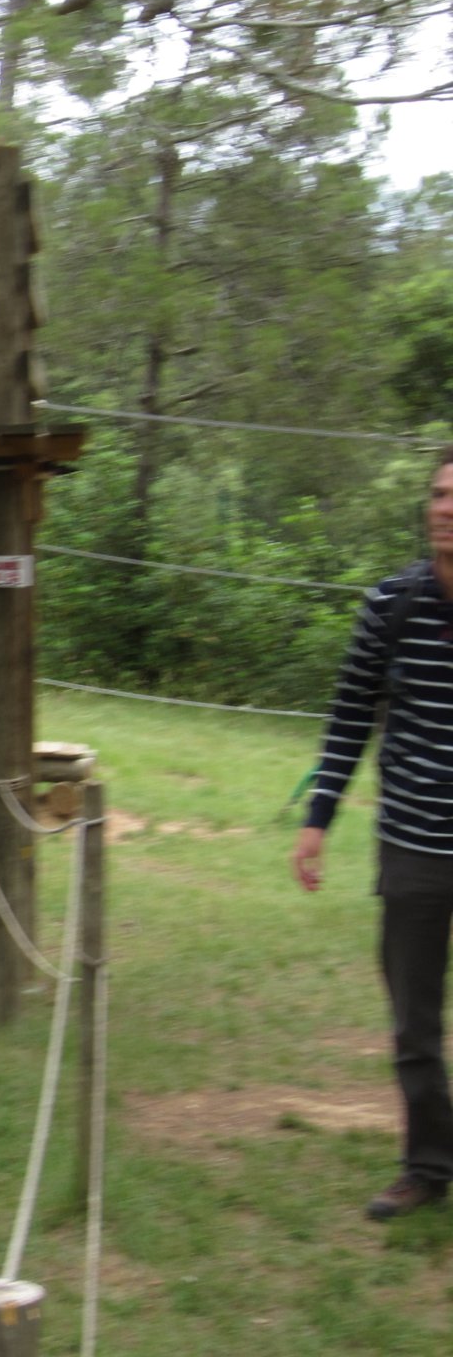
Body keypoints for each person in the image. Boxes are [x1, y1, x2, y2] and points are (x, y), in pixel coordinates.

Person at [295, 444, 453, 1220]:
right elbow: (350, 719)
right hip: (415, 844)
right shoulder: (390, 604)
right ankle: (427, 1166)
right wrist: (317, 820)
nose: (447, 508)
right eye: (439, 494)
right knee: (414, 1022)